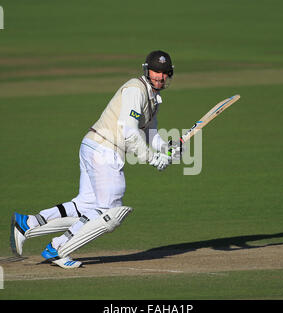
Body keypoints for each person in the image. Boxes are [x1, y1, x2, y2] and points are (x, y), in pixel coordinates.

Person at [10, 50, 182, 269]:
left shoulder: (153, 99)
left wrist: (167, 149)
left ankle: (28, 223)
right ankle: (59, 247)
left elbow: (150, 133)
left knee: (86, 206)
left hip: (94, 145)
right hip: (104, 149)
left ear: (170, 75)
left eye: (164, 73)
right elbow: (129, 131)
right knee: (110, 211)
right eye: (155, 71)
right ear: (146, 70)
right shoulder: (135, 90)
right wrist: (151, 158)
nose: (159, 76)